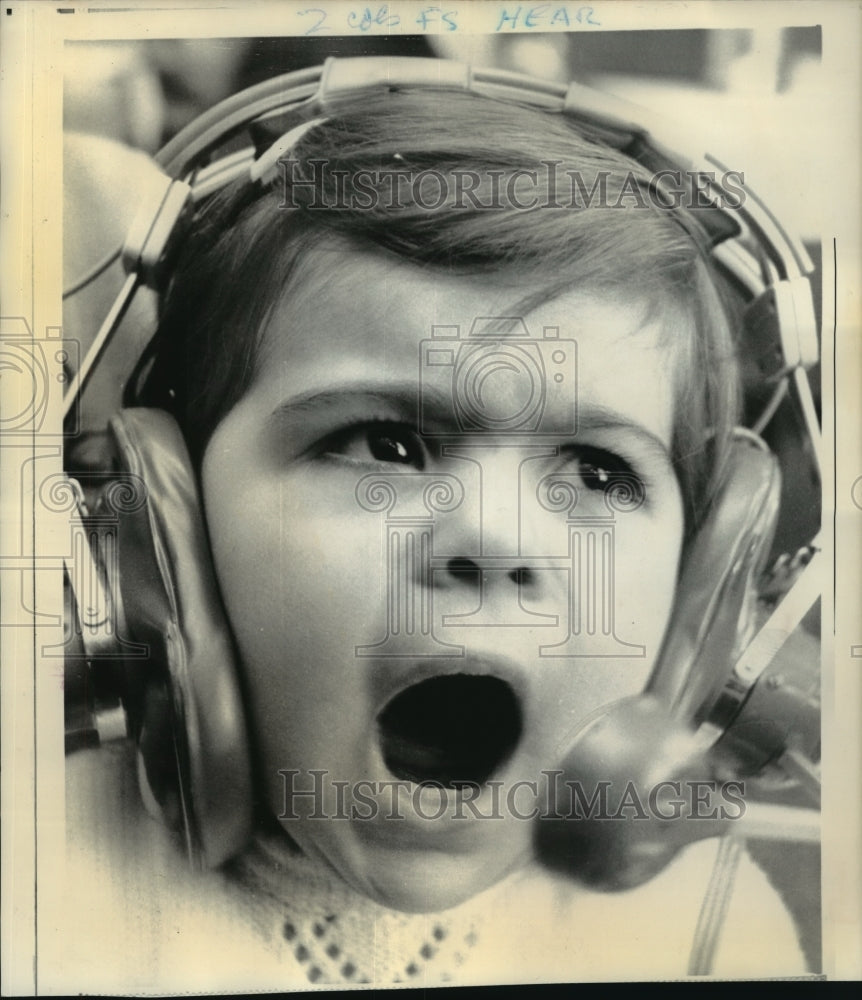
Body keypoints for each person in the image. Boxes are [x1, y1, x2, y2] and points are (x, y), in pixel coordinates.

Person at [59, 65, 813, 989]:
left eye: (596, 471)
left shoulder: (717, 932)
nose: (495, 539)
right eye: (388, 445)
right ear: (168, 542)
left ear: (702, 605)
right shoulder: (45, 888)